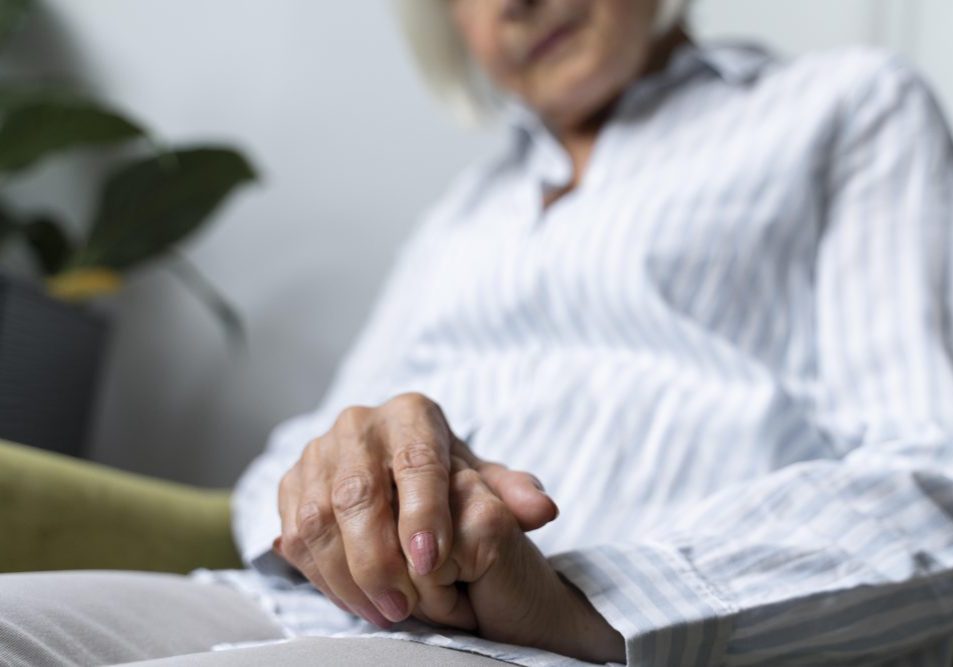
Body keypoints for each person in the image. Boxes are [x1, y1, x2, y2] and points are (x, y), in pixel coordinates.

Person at [3, 0, 952, 665]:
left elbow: (931, 473)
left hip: (587, 640)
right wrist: (350, 486)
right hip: (297, 602)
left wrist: (590, 604)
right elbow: (285, 466)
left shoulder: (844, 107)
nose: (517, 0)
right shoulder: (466, 211)